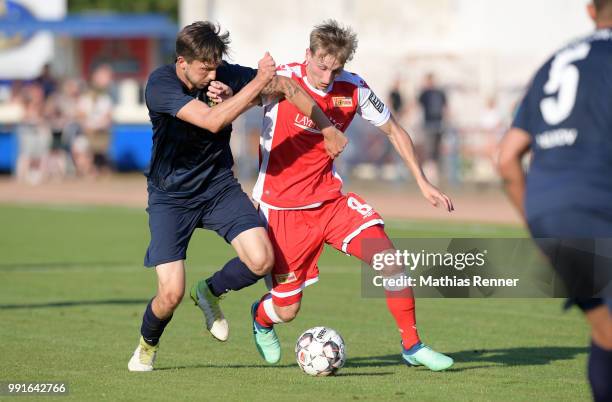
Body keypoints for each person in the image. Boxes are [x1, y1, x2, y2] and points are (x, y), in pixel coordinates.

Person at [128, 21, 347, 372]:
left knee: (262, 259)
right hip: (171, 196)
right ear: (182, 62)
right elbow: (212, 121)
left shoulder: (223, 73)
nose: (213, 73)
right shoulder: (160, 84)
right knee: (170, 295)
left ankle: (210, 292)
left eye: (216, 64)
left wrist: (326, 126)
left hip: (218, 187)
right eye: (205, 67)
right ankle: (146, 346)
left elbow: (287, 87)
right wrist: (255, 86)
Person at [249, 20, 455, 371]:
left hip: (330, 202)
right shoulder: (283, 78)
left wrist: (422, 181)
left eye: (336, 68)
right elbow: (249, 95)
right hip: (283, 209)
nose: (328, 76)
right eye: (321, 66)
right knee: (287, 309)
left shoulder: (354, 88)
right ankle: (261, 318)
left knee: (391, 262)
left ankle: (412, 345)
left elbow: (394, 129)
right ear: (307, 55)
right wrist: (226, 93)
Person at [498, 1, 612, 400]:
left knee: (606, 332)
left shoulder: (556, 61)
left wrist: (542, 233)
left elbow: (507, 158)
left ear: (589, 11)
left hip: (551, 212)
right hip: (601, 205)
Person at [418, 73, 447, 184]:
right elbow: (416, 104)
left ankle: (435, 175)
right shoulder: (425, 93)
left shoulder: (439, 93)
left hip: (438, 124)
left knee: (436, 151)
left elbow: (445, 108)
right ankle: (429, 177)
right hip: (428, 124)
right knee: (429, 151)